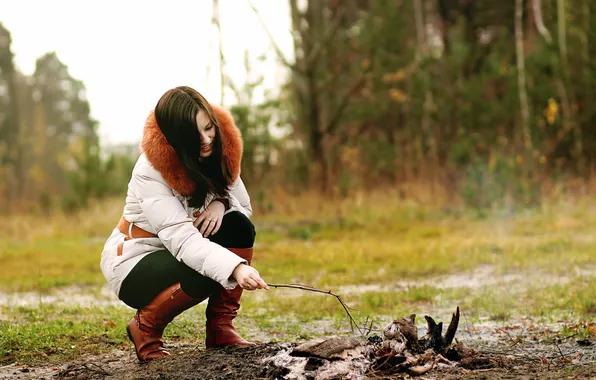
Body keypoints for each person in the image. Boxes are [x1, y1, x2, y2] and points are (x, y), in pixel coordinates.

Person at [100, 86, 269, 363]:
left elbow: (244, 208)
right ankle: (146, 328)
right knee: (203, 270)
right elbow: (183, 241)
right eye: (195, 134)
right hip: (135, 258)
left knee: (238, 225)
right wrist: (235, 267)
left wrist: (221, 202)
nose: (205, 140)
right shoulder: (151, 171)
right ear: (177, 137)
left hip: (180, 248)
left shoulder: (219, 150)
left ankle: (220, 329)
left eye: (208, 128)